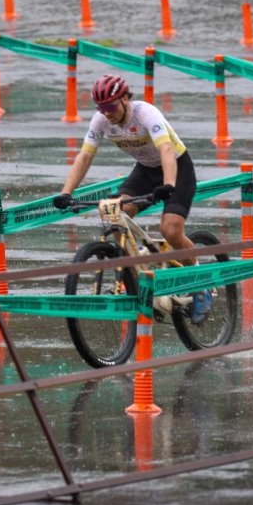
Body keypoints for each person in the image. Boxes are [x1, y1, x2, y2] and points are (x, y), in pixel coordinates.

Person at [53, 74, 211, 320]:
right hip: (145, 170)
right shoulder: (101, 121)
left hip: (176, 166)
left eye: (111, 106)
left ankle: (201, 283)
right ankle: (140, 282)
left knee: (170, 229)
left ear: (125, 99)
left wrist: (168, 184)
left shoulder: (146, 113)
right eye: (101, 108)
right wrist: (66, 193)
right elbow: (85, 156)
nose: (106, 113)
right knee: (116, 214)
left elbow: (166, 149)